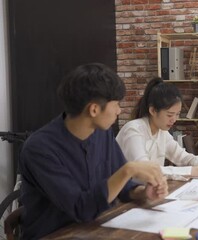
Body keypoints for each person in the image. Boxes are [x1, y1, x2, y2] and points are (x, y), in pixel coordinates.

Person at [19, 63, 168, 239]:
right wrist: (129, 170)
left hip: (98, 229)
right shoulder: (40, 149)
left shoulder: (102, 134)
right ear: (94, 109)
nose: (119, 111)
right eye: (117, 104)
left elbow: (122, 187)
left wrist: (142, 192)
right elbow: (81, 208)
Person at [116, 77, 198, 177]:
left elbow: (183, 157)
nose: (174, 119)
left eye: (177, 114)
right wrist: (192, 171)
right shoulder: (134, 130)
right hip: (126, 195)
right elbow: (146, 169)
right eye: (169, 115)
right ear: (153, 110)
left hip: (148, 192)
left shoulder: (161, 131)